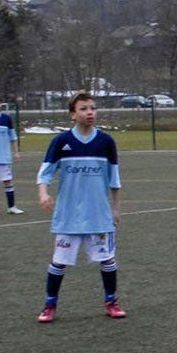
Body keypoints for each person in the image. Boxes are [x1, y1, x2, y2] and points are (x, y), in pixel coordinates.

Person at [35, 93, 125, 323]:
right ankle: (50, 305)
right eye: (84, 108)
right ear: (73, 114)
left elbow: (114, 179)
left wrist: (115, 209)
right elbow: (44, 173)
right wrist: (43, 193)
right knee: (59, 261)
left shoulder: (106, 142)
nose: (90, 112)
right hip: (69, 216)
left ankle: (112, 302)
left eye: (93, 108)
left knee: (108, 260)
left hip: (98, 215)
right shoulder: (61, 142)